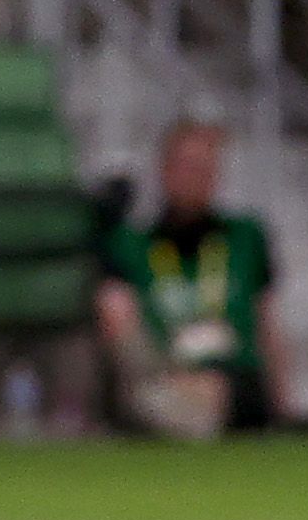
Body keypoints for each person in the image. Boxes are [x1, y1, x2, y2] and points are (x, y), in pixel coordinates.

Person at [97, 120, 287, 437]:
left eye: (204, 167)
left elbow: (267, 322)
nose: (194, 177)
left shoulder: (245, 236)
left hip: (235, 382)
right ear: (164, 170)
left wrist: (283, 403)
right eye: (186, 165)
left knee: (216, 394)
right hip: (165, 376)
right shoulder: (131, 245)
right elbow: (119, 324)